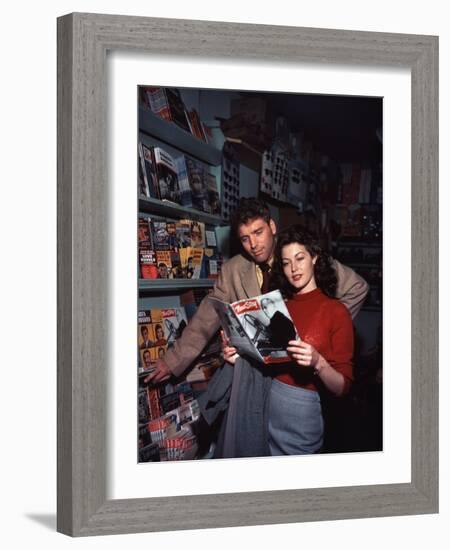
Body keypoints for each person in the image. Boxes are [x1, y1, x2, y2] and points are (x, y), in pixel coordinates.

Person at [144, 198, 368, 455]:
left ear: (272, 226)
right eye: (245, 238)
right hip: (254, 379)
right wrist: (172, 361)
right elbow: (206, 317)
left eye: (258, 232)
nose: (254, 244)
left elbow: (357, 288)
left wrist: (319, 331)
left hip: (298, 387)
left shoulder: (296, 256)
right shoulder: (233, 270)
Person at [223, 225, 354, 455]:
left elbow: (343, 387)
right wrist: (238, 357)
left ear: (314, 257)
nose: (293, 268)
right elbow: (266, 361)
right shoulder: (277, 308)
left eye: (300, 258)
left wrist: (319, 362)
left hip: (303, 415)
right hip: (265, 407)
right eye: (285, 263)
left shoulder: (336, 311)